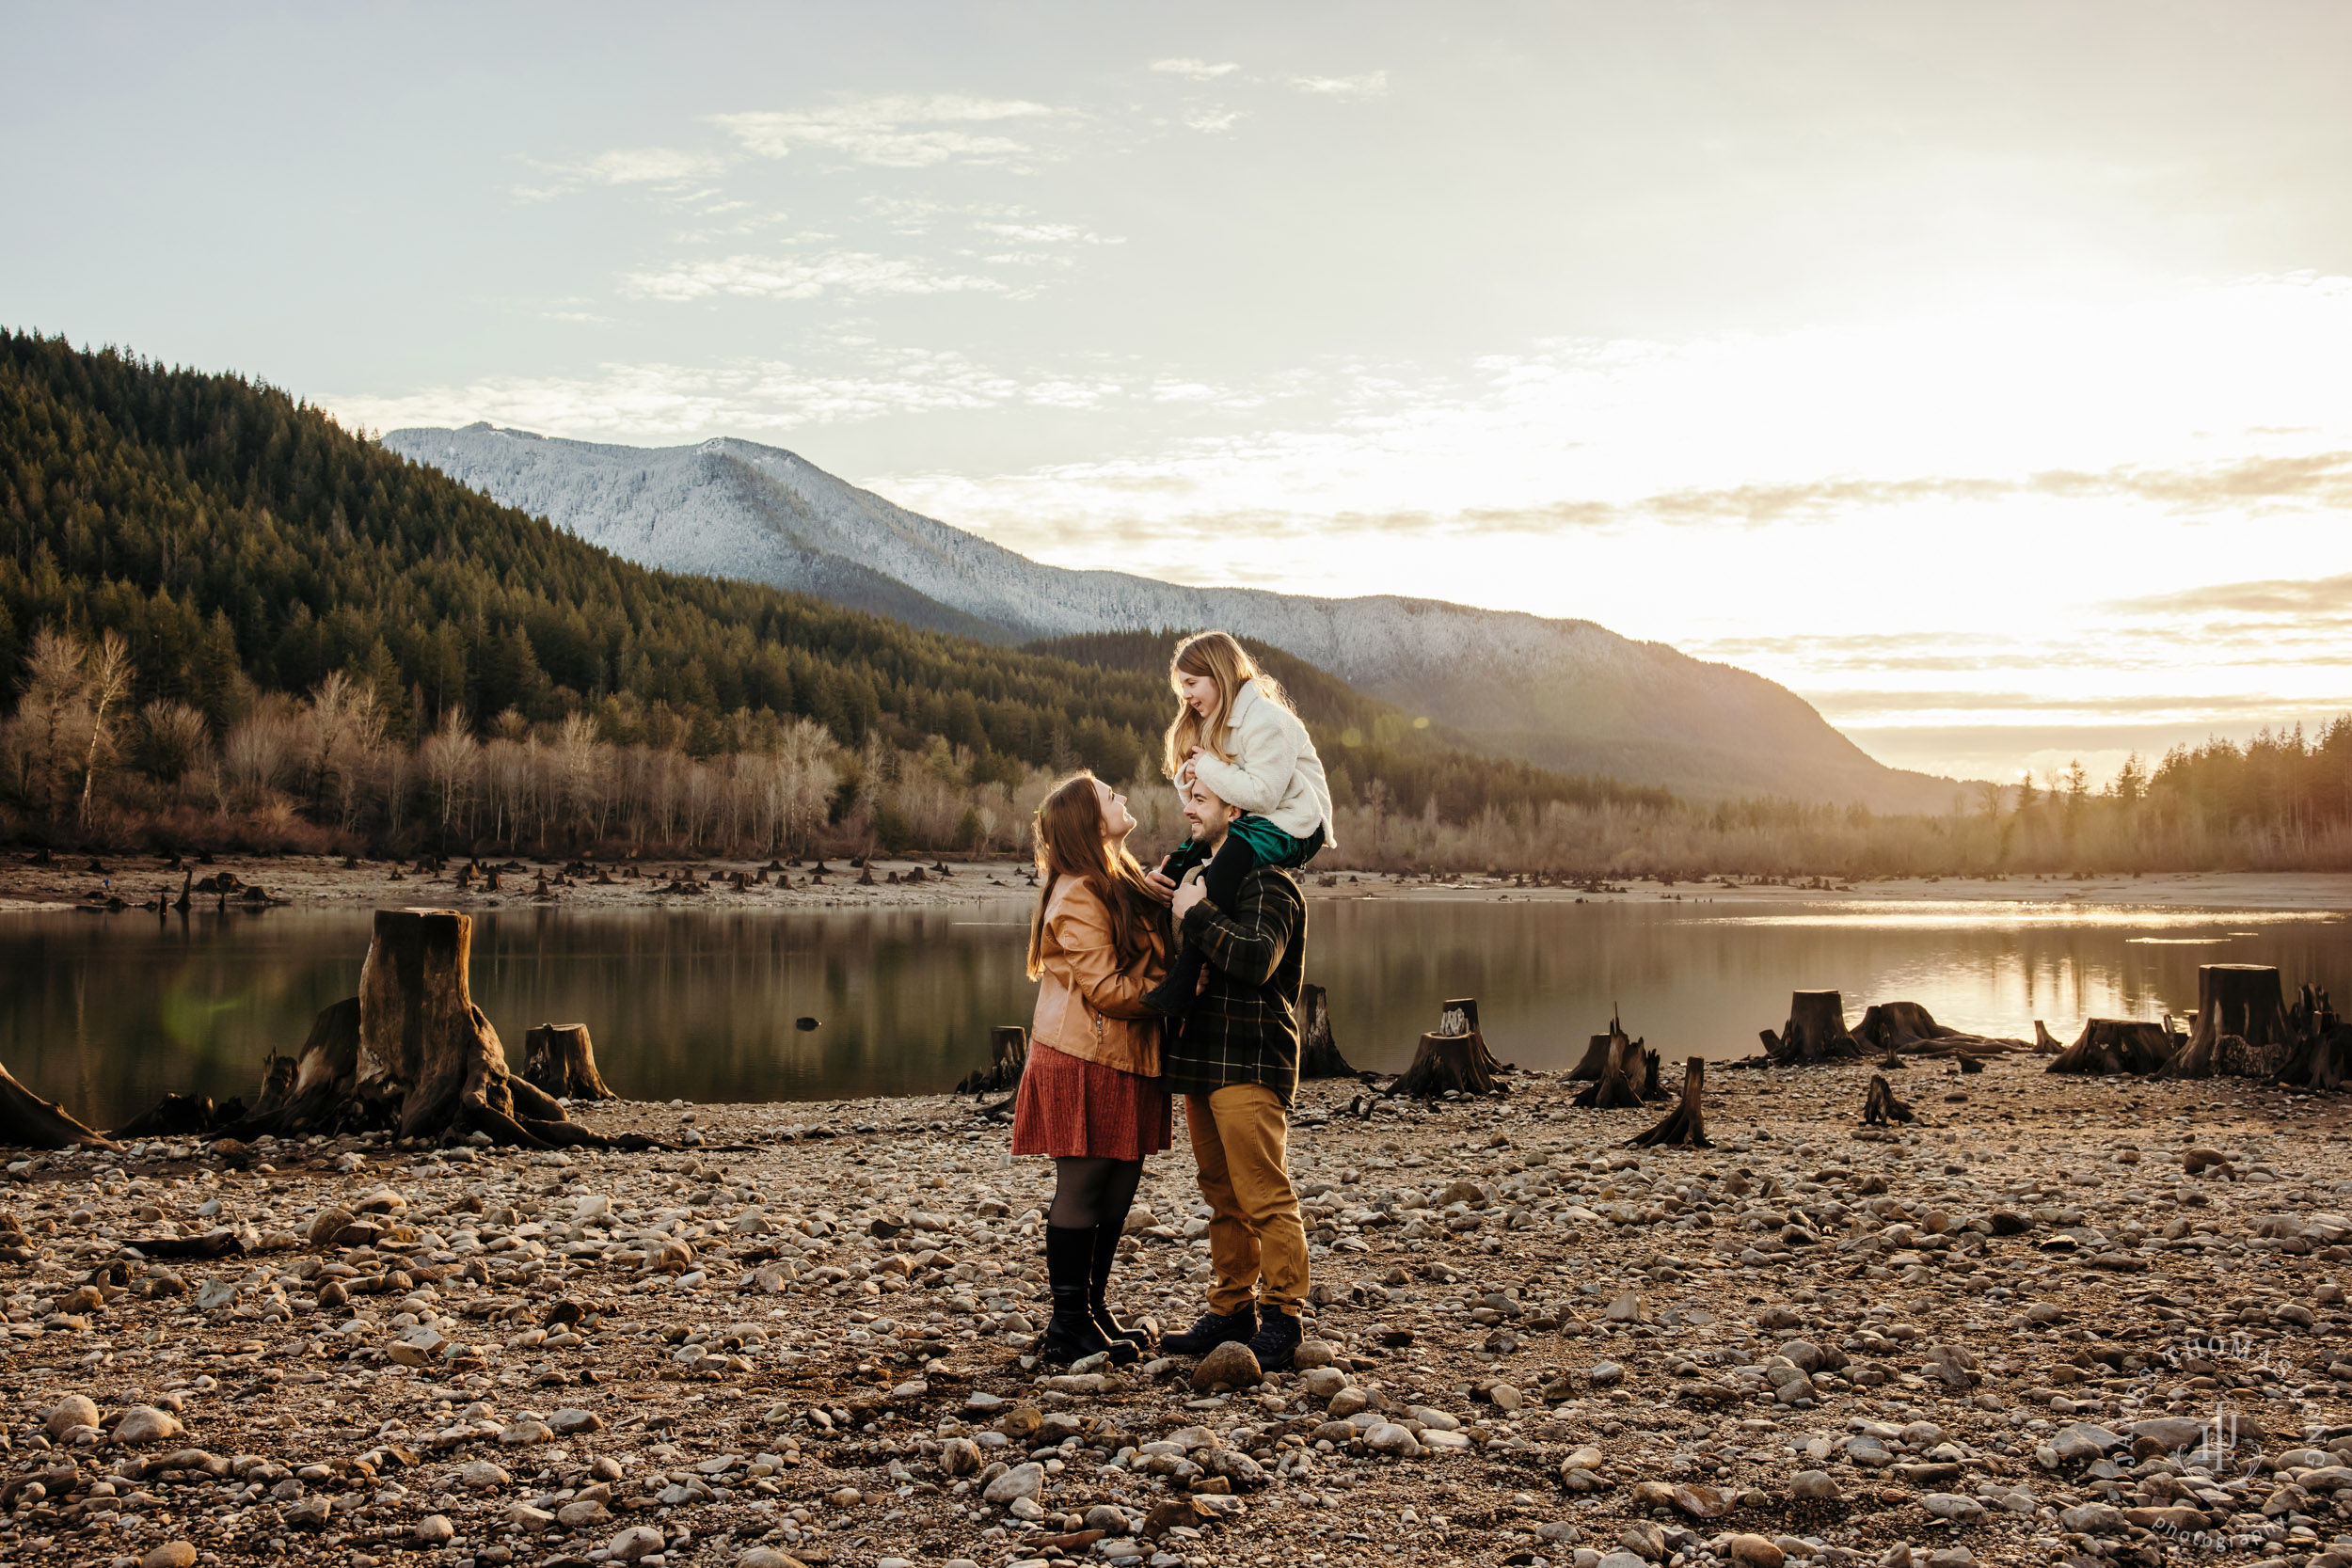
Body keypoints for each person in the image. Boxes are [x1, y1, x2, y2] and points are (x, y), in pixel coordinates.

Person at [1009, 770, 1175, 1365]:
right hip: (1082, 1053)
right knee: (1083, 1184)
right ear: (1088, 821)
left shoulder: (1115, 879)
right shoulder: (1077, 889)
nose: (1122, 798)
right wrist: (1175, 989)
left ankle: (1090, 1311)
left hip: (1124, 1053)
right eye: (1110, 796)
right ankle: (1065, 1327)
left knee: (1120, 1183)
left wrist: (1160, 899)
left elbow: (1137, 956)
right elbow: (1105, 988)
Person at [1154, 768, 1313, 1370]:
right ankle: (1230, 1309)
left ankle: (1283, 1318)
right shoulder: (1205, 879)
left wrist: (1194, 914)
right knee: (1221, 1195)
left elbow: (1254, 961)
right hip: (1201, 1057)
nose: (1189, 809)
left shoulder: (1271, 883)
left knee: (1265, 1194)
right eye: (1187, 798)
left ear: (1238, 809)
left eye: (1200, 799)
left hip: (1250, 1055)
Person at [1140, 631, 1334, 1019]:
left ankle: (1187, 974)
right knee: (1180, 860)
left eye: (1192, 684)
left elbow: (1261, 795)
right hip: (1256, 817)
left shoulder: (1268, 719)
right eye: (1182, 687)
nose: (1187, 696)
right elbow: (1209, 797)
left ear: (1218, 675)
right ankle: (1160, 962)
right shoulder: (1218, 721)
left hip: (1296, 821)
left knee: (1231, 857)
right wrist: (1193, 771)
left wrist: (1207, 765)